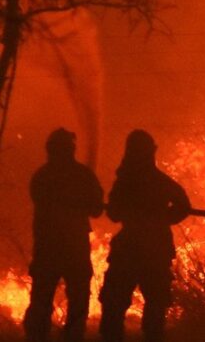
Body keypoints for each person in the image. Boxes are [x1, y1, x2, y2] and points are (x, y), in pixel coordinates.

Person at [99, 130, 190, 342]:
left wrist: (139, 216)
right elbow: (183, 206)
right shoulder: (160, 181)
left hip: (129, 250)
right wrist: (162, 220)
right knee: (155, 308)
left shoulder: (124, 182)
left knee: (114, 305)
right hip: (154, 251)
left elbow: (113, 213)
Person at [23, 128, 104, 342]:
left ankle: (37, 336)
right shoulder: (83, 176)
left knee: (41, 299)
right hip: (73, 249)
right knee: (77, 301)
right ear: (71, 149)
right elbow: (96, 209)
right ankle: (72, 336)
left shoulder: (42, 176)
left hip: (47, 248)